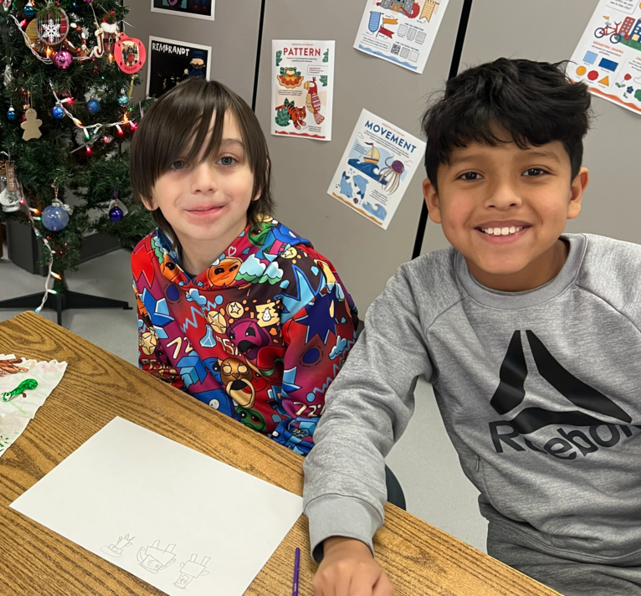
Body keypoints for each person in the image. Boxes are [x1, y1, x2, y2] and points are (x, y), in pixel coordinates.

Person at [304, 58, 641, 596]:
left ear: (574, 191)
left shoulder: (629, 283)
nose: (502, 195)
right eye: (470, 174)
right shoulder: (419, 294)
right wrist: (344, 541)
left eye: (534, 171)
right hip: (529, 560)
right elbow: (358, 408)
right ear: (434, 200)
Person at [130, 78, 357, 453]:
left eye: (226, 160)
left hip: (274, 462)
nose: (204, 183)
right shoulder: (147, 259)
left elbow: (313, 429)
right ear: (147, 191)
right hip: (185, 446)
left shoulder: (306, 284)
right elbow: (159, 372)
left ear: (258, 179)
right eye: (178, 162)